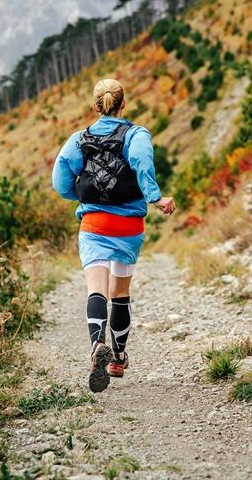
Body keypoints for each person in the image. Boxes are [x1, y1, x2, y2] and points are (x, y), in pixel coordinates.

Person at [52, 78, 176, 393]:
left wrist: (78, 196)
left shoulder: (79, 139)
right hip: (128, 227)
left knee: (96, 290)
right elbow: (142, 164)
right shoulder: (136, 134)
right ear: (123, 103)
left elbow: (61, 179)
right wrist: (156, 198)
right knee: (120, 294)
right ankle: (118, 358)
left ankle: (97, 344)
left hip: (94, 225)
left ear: (96, 106)